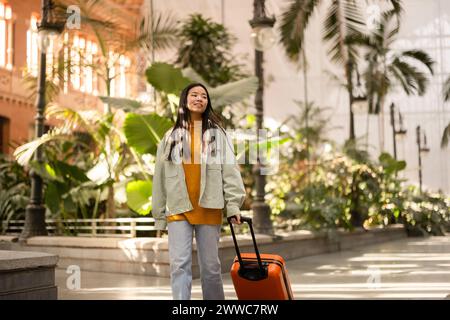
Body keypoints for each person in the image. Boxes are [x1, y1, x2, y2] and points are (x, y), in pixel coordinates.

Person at [151, 83, 246, 300]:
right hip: (178, 208)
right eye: (194, 94)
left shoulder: (217, 134)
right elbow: (160, 178)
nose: (199, 99)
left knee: (211, 269)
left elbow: (230, 170)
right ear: (185, 100)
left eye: (204, 96)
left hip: (209, 207)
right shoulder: (170, 136)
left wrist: (233, 205)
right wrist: (159, 215)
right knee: (179, 266)